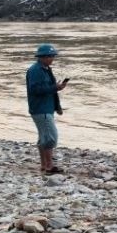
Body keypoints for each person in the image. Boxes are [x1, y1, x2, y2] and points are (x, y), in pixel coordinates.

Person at [26, 43, 69, 175]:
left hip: (46, 107)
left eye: (52, 56)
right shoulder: (35, 70)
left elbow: (50, 90)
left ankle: (44, 165)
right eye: (49, 56)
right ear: (41, 57)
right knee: (51, 137)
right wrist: (55, 87)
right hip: (41, 108)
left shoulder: (46, 69)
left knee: (43, 137)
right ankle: (49, 166)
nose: (52, 59)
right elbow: (35, 90)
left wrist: (57, 107)